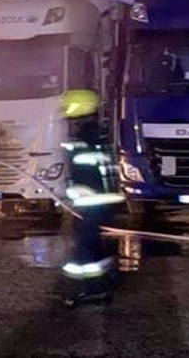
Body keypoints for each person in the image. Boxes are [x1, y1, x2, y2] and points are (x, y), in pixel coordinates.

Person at [58, 90, 125, 306]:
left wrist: (70, 193)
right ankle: (103, 283)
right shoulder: (98, 135)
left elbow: (83, 176)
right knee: (94, 244)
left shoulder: (83, 139)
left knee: (83, 248)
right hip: (104, 200)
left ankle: (87, 289)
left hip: (91, 201)